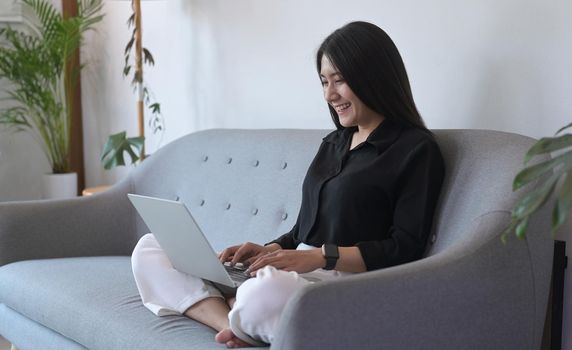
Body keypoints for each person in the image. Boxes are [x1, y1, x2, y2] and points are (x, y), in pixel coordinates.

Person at [131, 21, 445, 348]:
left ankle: (241, 310)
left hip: (344, 284)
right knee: (150, 249)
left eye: (339, 80)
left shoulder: (415, 150)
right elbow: (302, 232)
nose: (329, 94)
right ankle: (230, 322)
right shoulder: (335, 143)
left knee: (264, 291)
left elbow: (405, 249)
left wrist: (321, 258)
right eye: (324, 82)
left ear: (373, 75)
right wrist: (270, 249)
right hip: (296, 271)